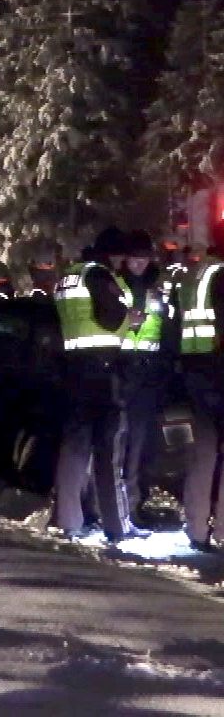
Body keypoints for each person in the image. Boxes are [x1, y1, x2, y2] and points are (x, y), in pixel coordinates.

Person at [52, 226, 144, 542]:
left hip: (74, 371)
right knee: (109, 453)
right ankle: (116, 526)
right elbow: (109, 318)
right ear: (111, 254)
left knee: (74, 450)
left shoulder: (69, 277)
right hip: (103, 374)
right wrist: (131, 318)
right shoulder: (99, 276)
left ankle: (68, 520)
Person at [119, 229, 170, 521]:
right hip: (123, 370)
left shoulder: (157, 286)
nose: (138, 263)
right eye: (133, 258)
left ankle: (134, 502)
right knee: (121, 442)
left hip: (149, 372)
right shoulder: (117, 285)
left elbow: (165, 327)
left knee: (141, 443)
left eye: (143, 258)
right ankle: (117, 504)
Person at [178, 245, 224, 553]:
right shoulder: (221, 275)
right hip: (219, 370)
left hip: (195, 370)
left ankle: (196, 527)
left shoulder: (194, 274)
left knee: (203, 456)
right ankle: (222, 529)